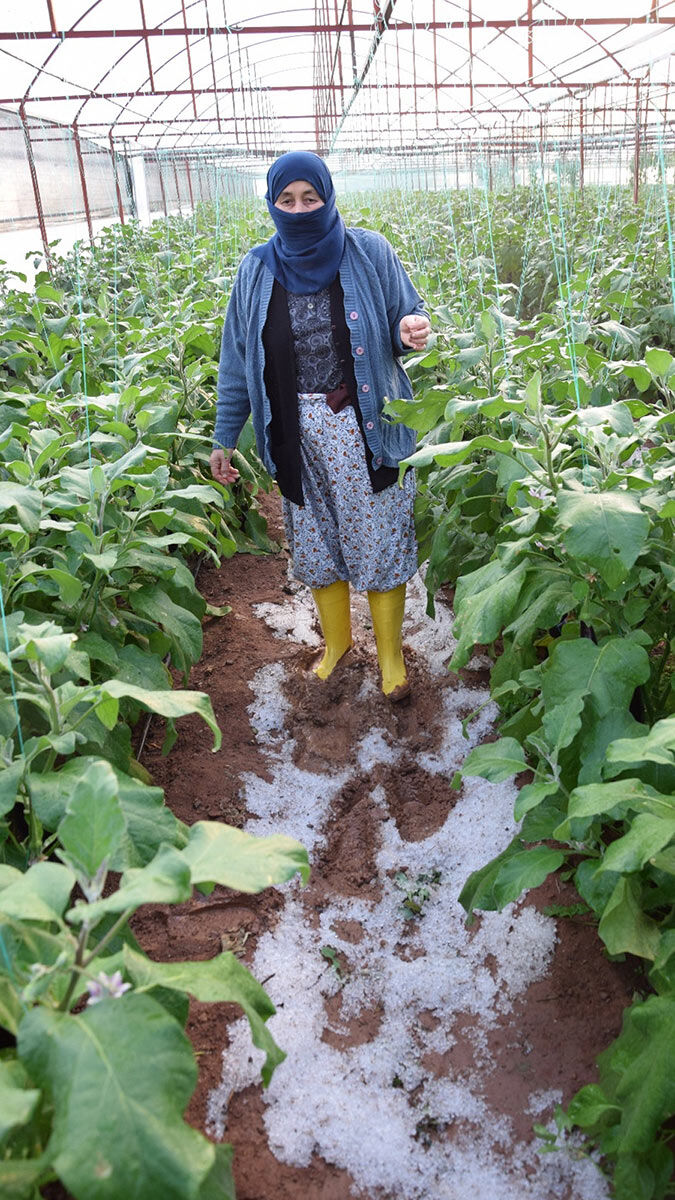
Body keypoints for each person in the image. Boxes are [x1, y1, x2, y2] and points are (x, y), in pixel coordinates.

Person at [210, 151, 430, 701]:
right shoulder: (256, 269)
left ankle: (389, 655)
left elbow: (409, 314)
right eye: (287, 200)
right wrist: (224, 437)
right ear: (271, 203)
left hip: (364, 427)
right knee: (314, 540)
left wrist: (409, 329)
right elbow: (237, 360)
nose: (300, 209)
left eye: (311, 198)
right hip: (294, 433)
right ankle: (336, 646)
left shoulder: (369, 250)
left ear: (329, 198)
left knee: (377, 536)